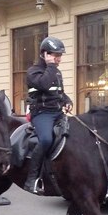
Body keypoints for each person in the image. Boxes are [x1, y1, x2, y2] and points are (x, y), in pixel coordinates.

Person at [24, 36, 72, 194]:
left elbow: (60, 93)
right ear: (44, 54)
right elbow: (44, 84)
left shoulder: (56, 72)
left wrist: (67, 100)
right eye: (55, 55)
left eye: (60, 56)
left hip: (57, 112)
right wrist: (51, 66)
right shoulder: (33, 72)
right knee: (46, 140)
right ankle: (31, 179)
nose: (58, 59)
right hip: (42, 113)